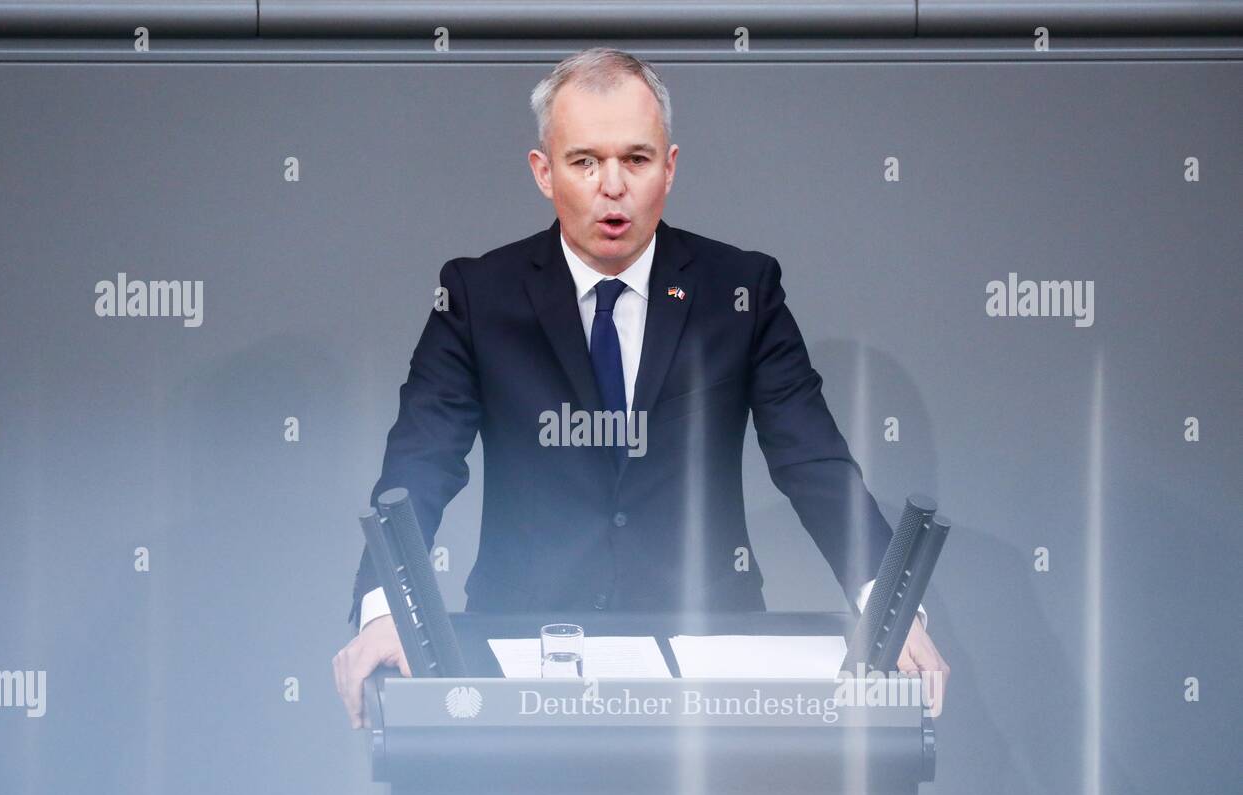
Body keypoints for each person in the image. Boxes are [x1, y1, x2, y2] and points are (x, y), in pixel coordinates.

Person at [332, 47, 949, 726]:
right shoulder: (478, 295)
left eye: (636, 159)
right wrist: (386, 610)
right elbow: (422, 459)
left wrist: (888, 608)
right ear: (544, 172)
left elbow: (812, 459)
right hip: (524, 659)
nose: (612, 186)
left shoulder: (741, 289)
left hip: (707, 662)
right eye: (585, 161)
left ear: (670, 167)